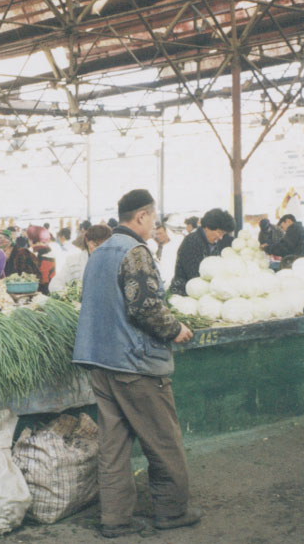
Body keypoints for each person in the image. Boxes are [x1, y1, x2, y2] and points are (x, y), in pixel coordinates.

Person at [73, 189, 199, 538]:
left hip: (100, 362)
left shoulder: (98, 253)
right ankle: (172, 511)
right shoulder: (135, 252)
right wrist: (175, 329)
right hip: (135, 365)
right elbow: (144, 306)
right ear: (141, 216)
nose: (154, 226)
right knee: (164, 441)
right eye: (153, 219)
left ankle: (114, 519)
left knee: (113, 445)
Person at [169, 208, 235, 296]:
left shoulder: (213, 242)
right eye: (219, 232)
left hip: (203, 293)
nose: (220, 237)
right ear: (207, 227)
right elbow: (195, 276)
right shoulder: (192, 241)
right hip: (184, 294)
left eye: (223, 234)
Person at [49, 224, 113, 293]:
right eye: (95, 245)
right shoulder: (73, 260)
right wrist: (70, 294)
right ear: (87, 241)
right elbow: (54, 285)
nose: (99, 249)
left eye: (104, 246)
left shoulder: (114, 262)